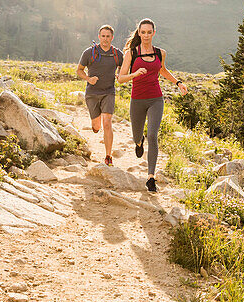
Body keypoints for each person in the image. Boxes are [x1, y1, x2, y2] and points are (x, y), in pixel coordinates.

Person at [116, 18, 187, 192]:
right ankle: (139, 142)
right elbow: (120, 79)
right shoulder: (131, 53)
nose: (146, 35)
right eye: (143, 32)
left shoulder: (159, 52)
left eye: (149, 32)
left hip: (156, 98)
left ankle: (150, 177)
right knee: (137, 135)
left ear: (154, 33)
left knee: (153, 135)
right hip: (137, 100)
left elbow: (162, 70)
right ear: (139, 33)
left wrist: (178, 83)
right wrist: (135, 74)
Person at [76, 24, 123, 166]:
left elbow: (124, 65)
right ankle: (95, 127)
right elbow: (79, 70)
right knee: (96, 125)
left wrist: (119, 73)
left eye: (108, 36)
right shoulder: (89, 52)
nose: (105, 39)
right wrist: (89, 79)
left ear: (112, 37)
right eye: (103, 36)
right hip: (92, 93)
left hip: (109, 92)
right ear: (99, 37)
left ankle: (108, 156)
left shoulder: (117, 54)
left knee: (107, 123)